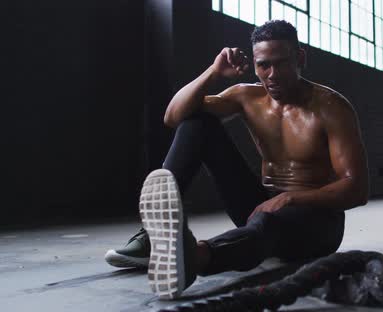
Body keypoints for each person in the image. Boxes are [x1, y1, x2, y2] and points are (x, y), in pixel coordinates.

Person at [105, 20, 369, 299]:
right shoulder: (248, 97)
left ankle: (194, 259)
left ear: (300, 58)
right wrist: (214, 72)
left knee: (266, 224)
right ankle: (151, 238)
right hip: (262, 205)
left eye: (281, 63)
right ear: (255, 63)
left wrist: (292, 198)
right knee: (196, 123)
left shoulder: (331, 107)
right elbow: (173, 116)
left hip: (318, 222)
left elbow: (356, 189)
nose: (272, 75)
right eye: (264, 65)